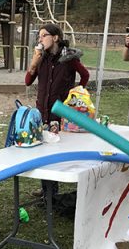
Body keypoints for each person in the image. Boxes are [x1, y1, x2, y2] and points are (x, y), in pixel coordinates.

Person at [25, 23, 89, 198]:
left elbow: (85, 75)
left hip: (59, 112)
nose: (40, 40)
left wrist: (76, 94)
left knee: (56, 149)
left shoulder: (69, 58)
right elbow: (28, 81)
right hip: (42, 110)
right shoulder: (41, 58)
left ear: (55, 38)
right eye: (39, 37)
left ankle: (52, 190)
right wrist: (34, 62)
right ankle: (46, 189)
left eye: (43, 36)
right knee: (43, 147)